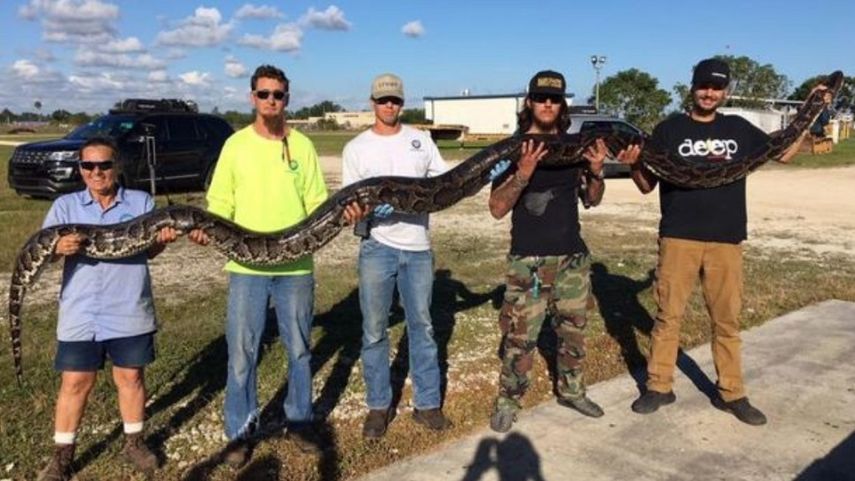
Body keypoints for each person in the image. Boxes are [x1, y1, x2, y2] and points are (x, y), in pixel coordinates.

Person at [623, 58, 816, 425]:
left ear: (725, 91)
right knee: (668, 317)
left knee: (726, 320)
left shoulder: (739, 129)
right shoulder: (668, 130)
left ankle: (732, 393)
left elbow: (785, 153)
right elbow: (647, 185)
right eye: (704, 86)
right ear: (692, 87)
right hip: (678, 235)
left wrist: (811, 111)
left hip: (726, 238)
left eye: (717, 87)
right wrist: (634, 164)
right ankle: (659, 386)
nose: (709, 93)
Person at [190, 65, 366, 465]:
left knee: (300, 349)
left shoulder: (301, 145)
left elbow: (318, 205)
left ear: (287, 99)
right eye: (265, 93)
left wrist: (344, 215)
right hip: (245, 270)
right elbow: (220, 205)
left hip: (296, 268)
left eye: (279, 95)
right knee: (242, 353)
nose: (272, 100)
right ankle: (240, 431)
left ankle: (300, 421)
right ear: (253, 97)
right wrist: (204, 230)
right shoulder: (235, 145)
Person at [37, 137, 177, 480]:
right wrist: (58, 247)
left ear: (117, 167)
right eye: (88, 166)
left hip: (128, 305)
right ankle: (62, 455)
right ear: (80, 169)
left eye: (104, 165)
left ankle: (134, 442)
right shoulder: (65, 207)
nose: (96, 172)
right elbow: (43, 252)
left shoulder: (142, 201)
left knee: (130, 377)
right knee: (75, 382)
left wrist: (162, 240)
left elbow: (148, 251)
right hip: (81, 310)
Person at [488, 70, 615, 433]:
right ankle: (508, 401)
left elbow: (591, 201)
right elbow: (497, 208)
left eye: (554, 99)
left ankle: (573, 391)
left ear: (562, 105)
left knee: (573, 332)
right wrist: (523, 174)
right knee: (519, 337)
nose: (547, 104)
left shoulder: (575, 147)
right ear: (529, 102)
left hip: (572, 257)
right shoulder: (512, 149)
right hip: (528, 260)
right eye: (541, 98)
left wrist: (596, 171)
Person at [342, 73, 466, 439]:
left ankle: (427, 404)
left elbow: (447, 184)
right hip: (376, 247)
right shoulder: (356, 148)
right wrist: (365, 213)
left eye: (395, 100)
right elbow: (350, 204)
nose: (389, 106)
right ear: (372, 103)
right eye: (383, 101)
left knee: (423, 326)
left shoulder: (420, 141)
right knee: (374, 330)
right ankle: (379, 406)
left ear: (402, 103)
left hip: (417, 247)